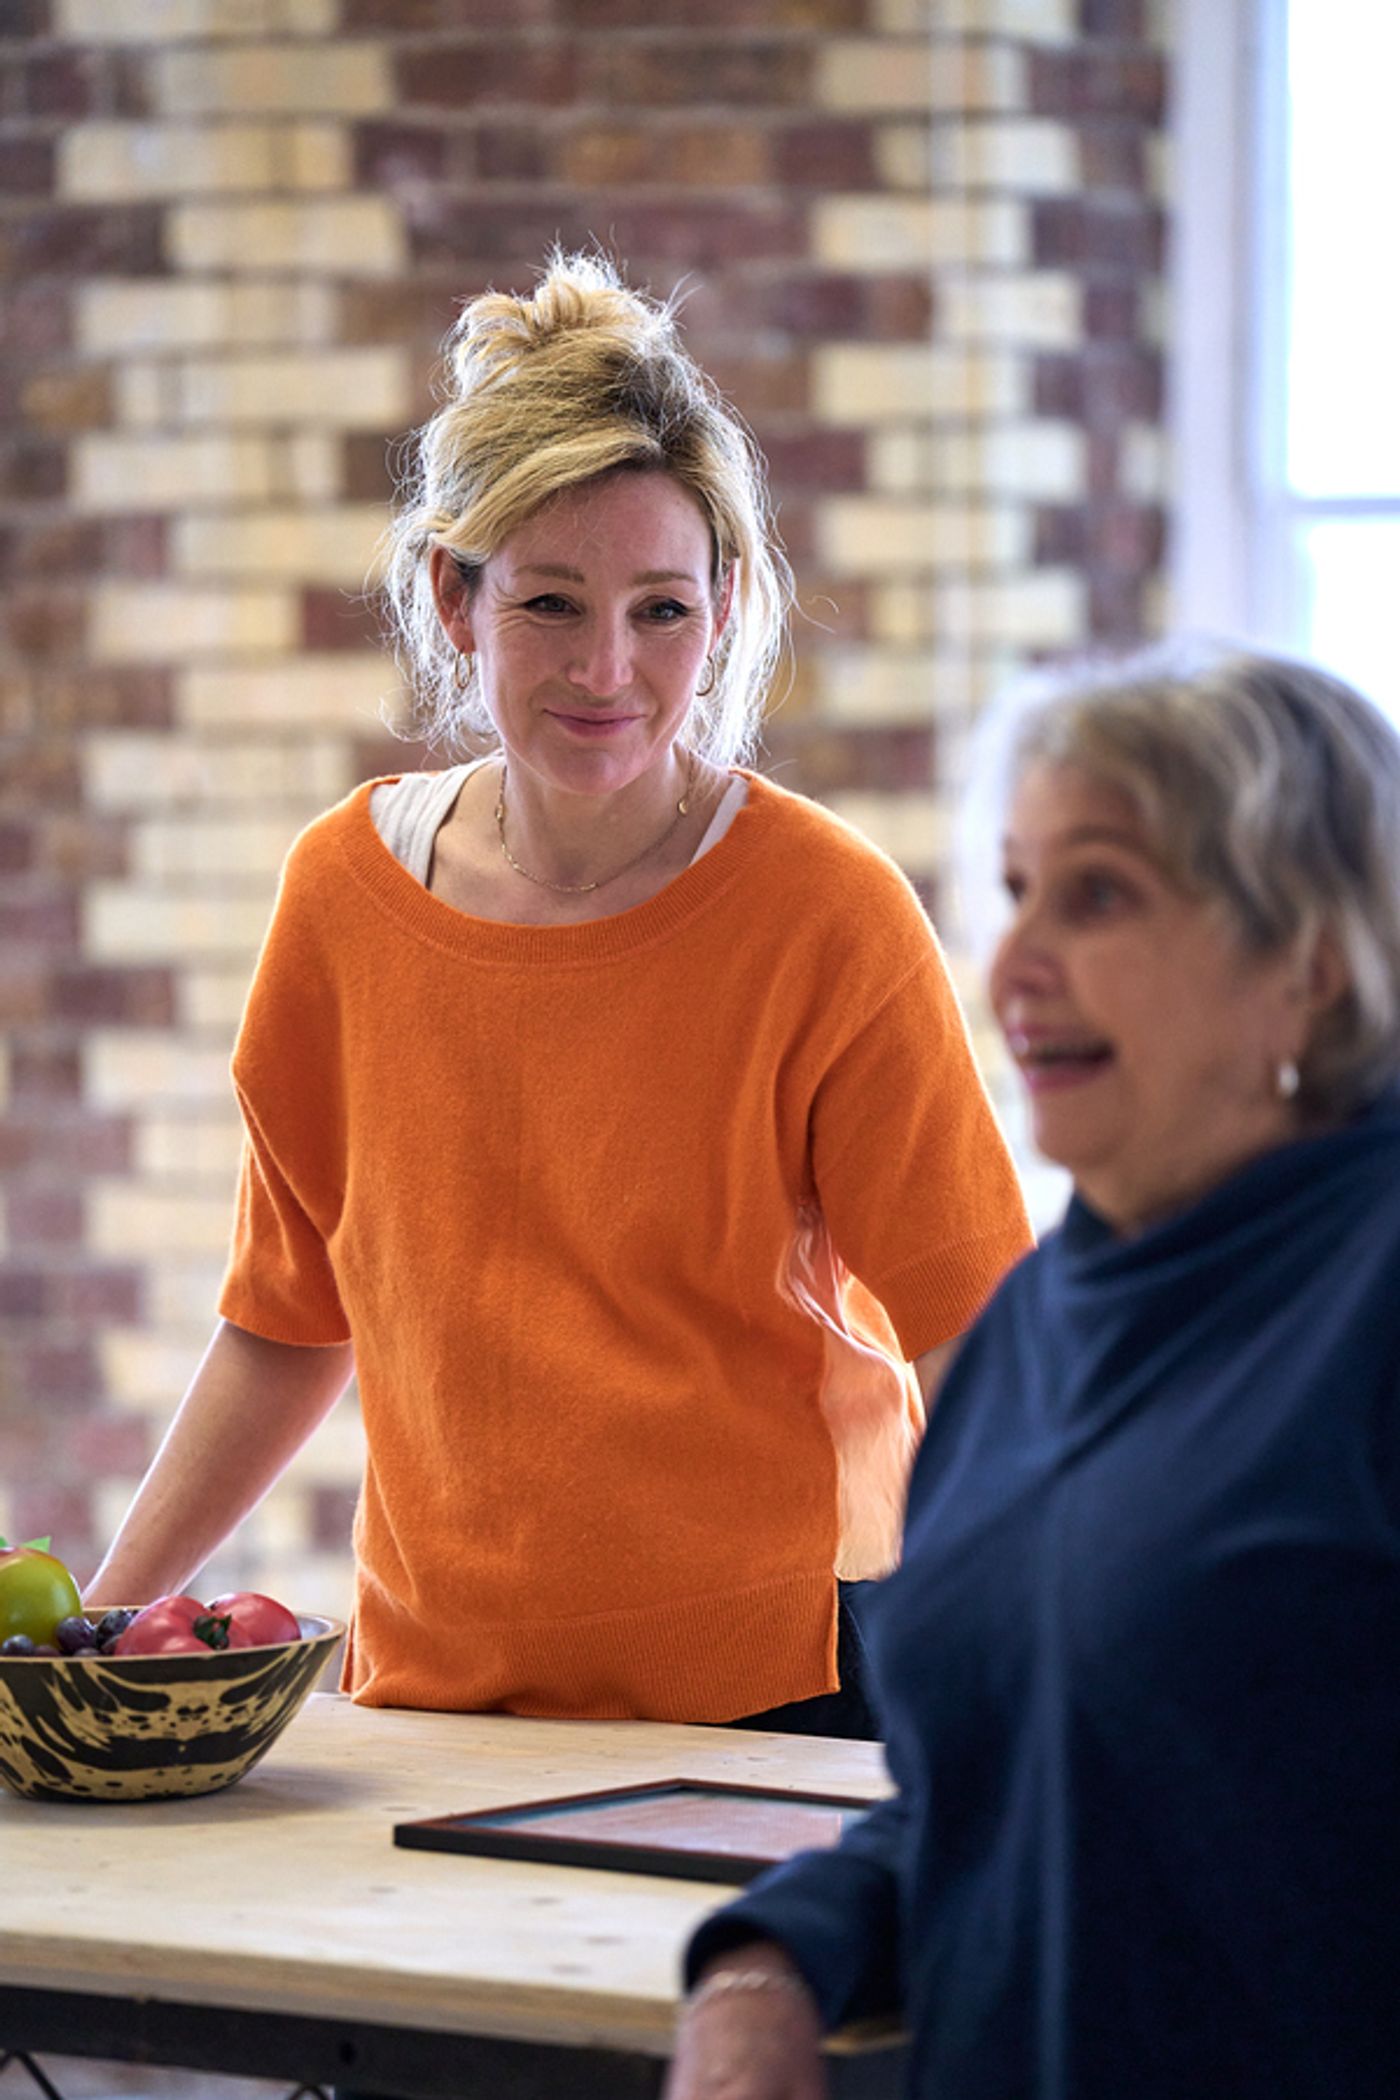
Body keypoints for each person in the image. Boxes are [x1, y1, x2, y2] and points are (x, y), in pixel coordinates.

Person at [85, 252, 1032, 1733]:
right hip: (435, 1694)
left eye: (661, 609)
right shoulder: (343, 897)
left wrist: (1051, 1677)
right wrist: (91, 1635)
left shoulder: (828, 917)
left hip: (790, 1687)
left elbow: (974, 1339)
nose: (609, 669)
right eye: (550, 605)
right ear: (457, 600)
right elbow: (287, 1318)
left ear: (725, 604)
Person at [668, 647, 1400, 2097]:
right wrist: (771, 1963)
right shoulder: (1030, 1330)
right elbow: (994, 1790)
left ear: (1306, 965)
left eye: (1103, 894)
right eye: (1015, 893)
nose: (1010, 968)